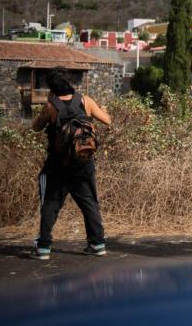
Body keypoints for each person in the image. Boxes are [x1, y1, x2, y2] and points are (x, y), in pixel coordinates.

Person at [29, 69, 113, 260]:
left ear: (52, 87)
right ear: (69, 82)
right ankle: (97, 244)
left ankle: (44, 248)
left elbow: (36, 127)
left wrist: (47, 109)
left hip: (58, 165)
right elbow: (107, 121)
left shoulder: (51, 106)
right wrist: (104, 110)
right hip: (83, 162)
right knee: (89, 203)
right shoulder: (86, 101)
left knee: (51, 203)